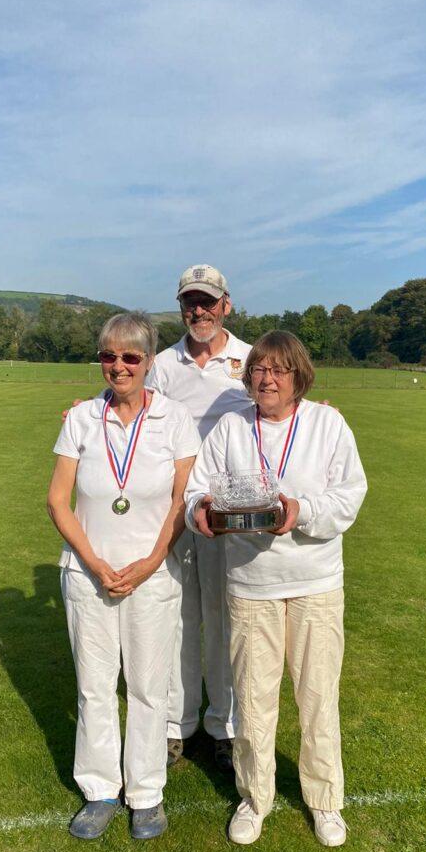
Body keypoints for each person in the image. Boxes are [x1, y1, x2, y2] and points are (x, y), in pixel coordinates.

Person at [184, 330, 367, 847]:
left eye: (279, 370)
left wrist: (301, 512)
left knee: (317, 698)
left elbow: (350, 495)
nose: (267, 379)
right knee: (253, 699)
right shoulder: (229, 427)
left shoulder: (328, 424)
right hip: (250, 585)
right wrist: (203, 515)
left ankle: (325, 801)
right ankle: (253, 798)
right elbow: (199, 489)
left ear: (299, 377)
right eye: (259, 370)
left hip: (315, 583)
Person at [47, 312, 199, 841]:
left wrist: (154, 559)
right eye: (108, 356)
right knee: (93, 687)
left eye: (130, 356)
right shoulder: (82, 418)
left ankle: (147, 793)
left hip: (153, 576)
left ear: (148, 361)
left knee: (149, 688)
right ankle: (99, 790)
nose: (118, 366)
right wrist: (93, 562)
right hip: (88, 575)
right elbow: (57, 501)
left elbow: (183, 500)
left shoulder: (176, 419)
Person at [147, 265, 252, 770]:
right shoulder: (163, 364)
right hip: (173, 507)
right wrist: (90, 407)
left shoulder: (249, 359)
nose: (199, 310)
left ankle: (224, 726)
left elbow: (281, 406)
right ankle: (176, 725)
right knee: (179, 616)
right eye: (190, 301)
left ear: (226, 304)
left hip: (230, 511)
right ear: (180, 307)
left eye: (208, 301)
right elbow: (134, 410)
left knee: (226, 618)